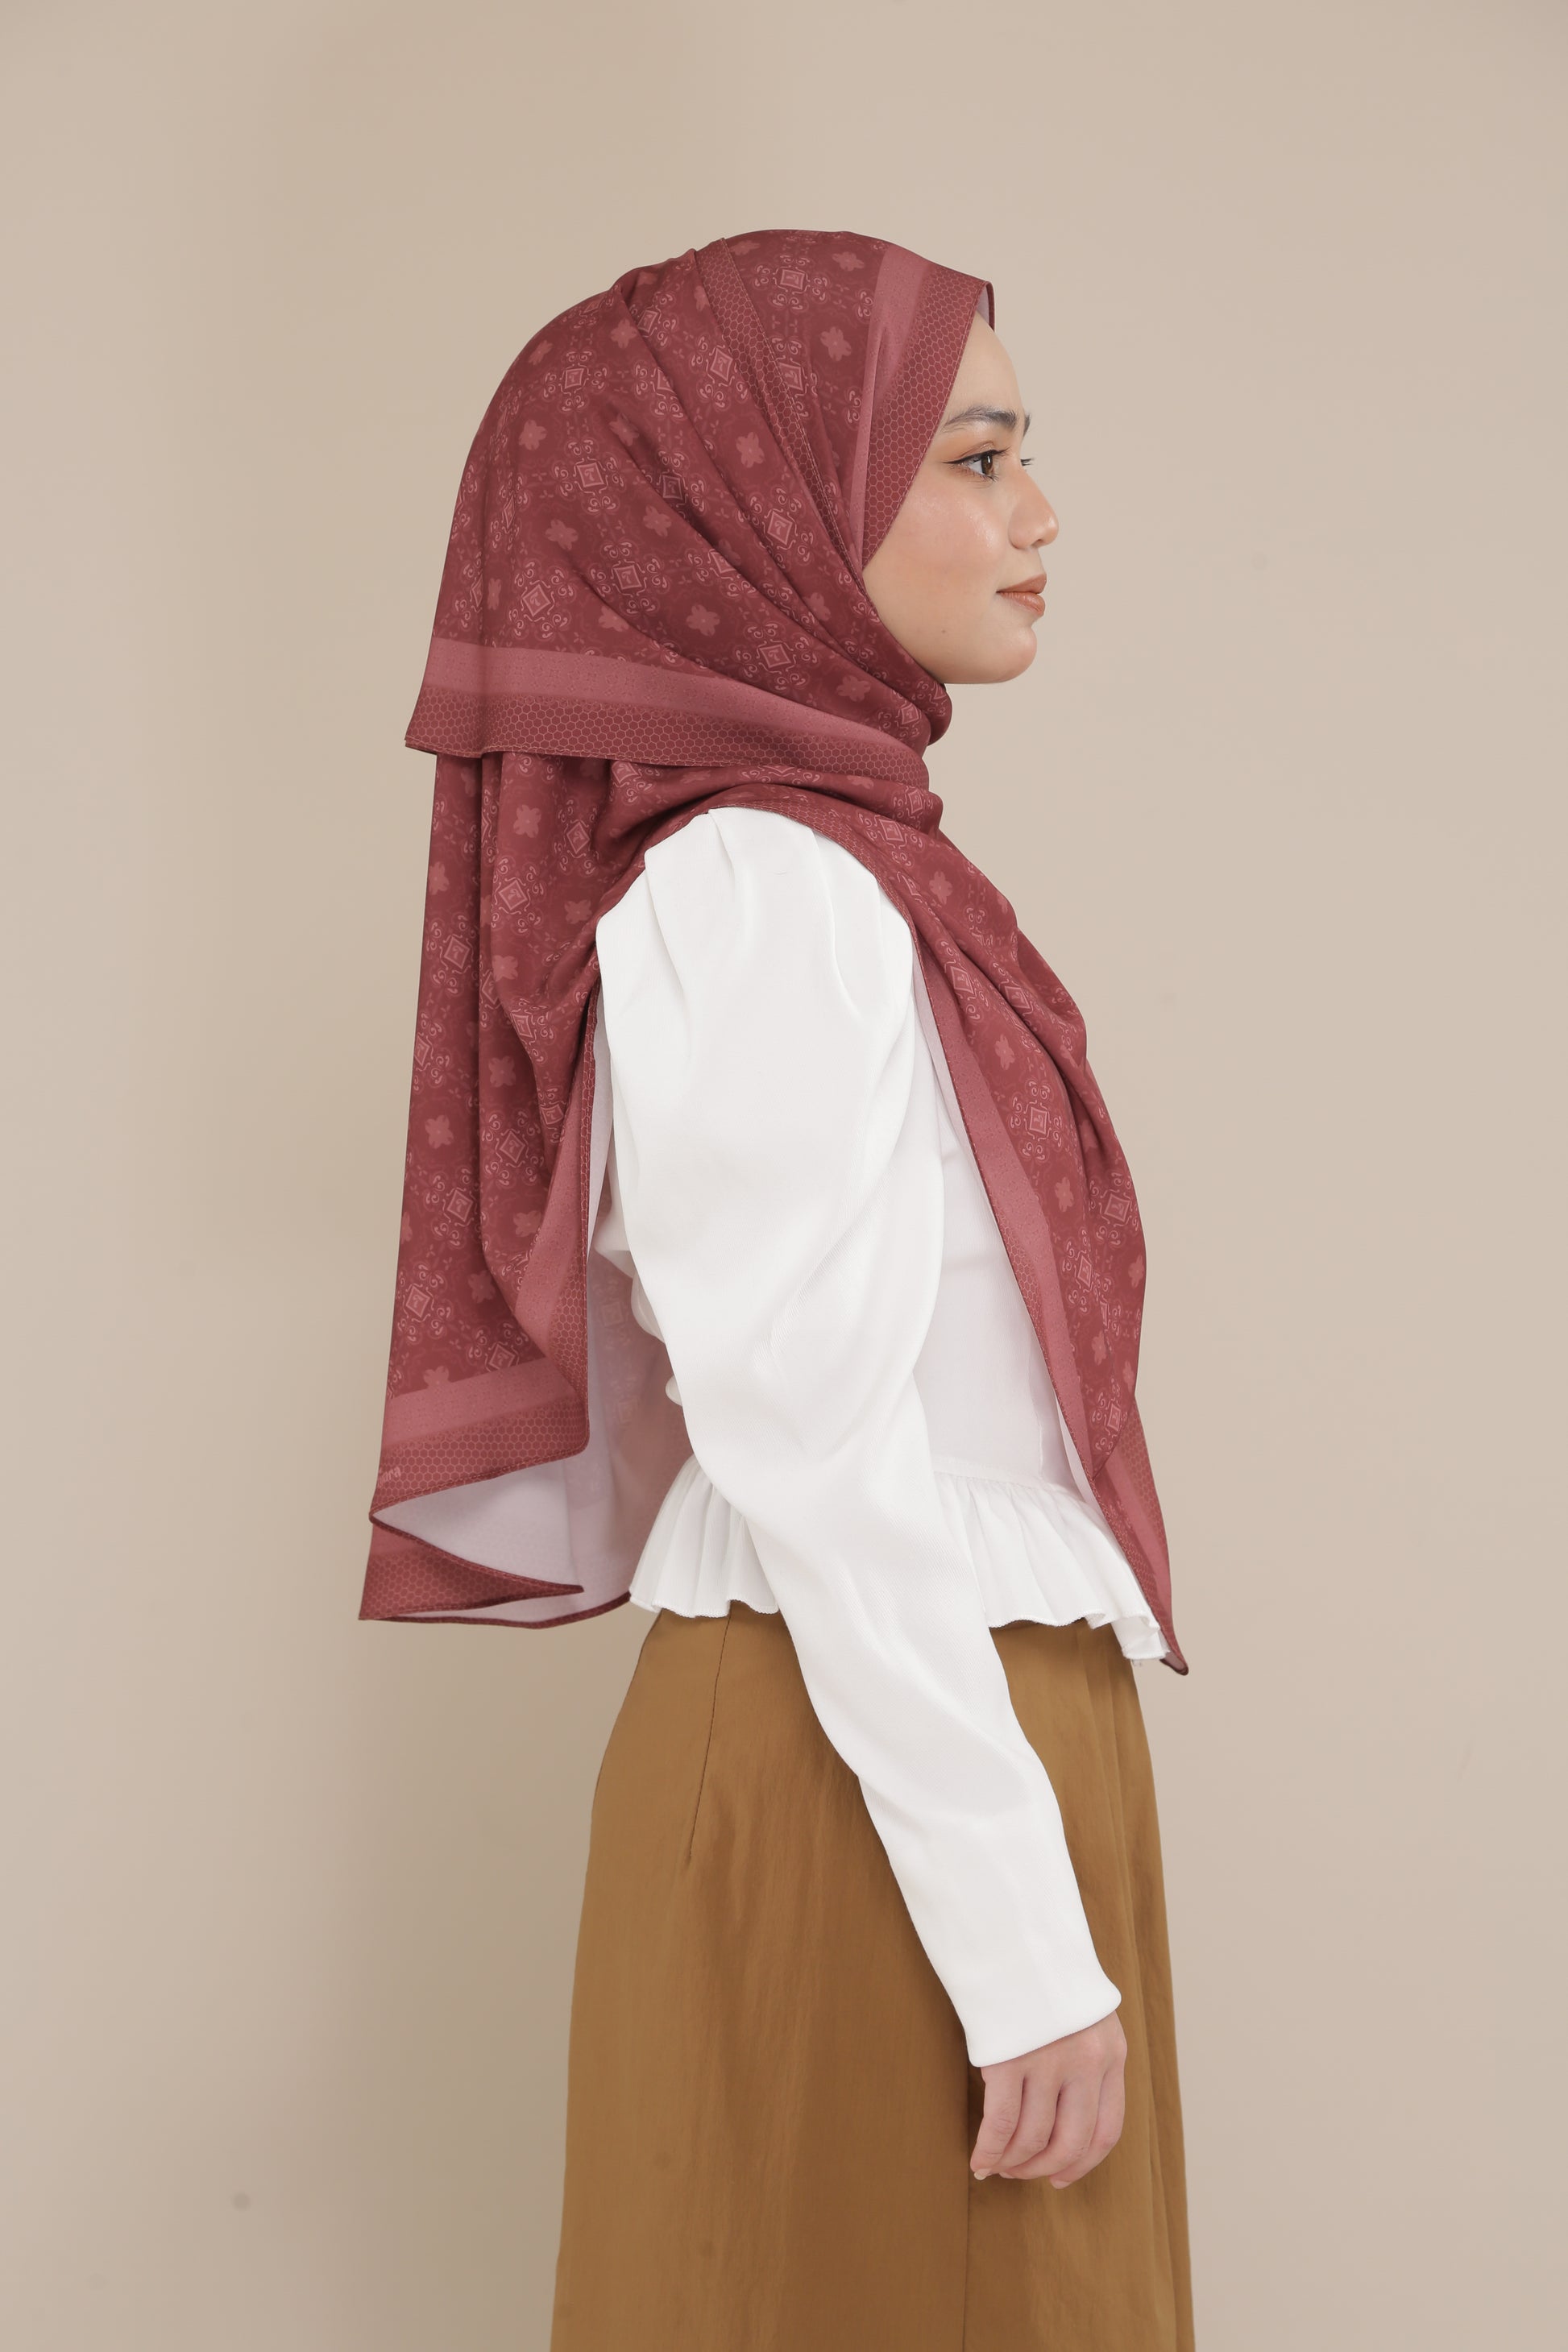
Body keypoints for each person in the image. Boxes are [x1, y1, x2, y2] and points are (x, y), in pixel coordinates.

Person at [362, 228, 1194, 2350]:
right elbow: (810, 1443)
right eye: (976, 459)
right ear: (764, 515)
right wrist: (1019, 1943)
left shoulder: (856, 873)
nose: (1039, 514)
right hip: (878, 1773)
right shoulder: (760, 891)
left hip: (951, 1735)